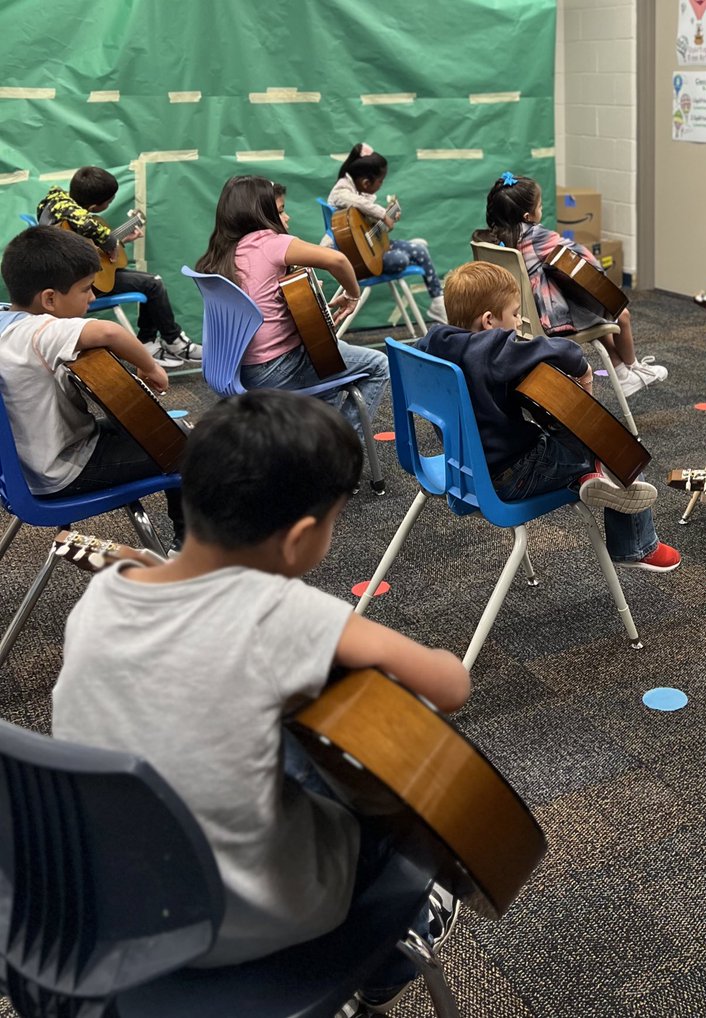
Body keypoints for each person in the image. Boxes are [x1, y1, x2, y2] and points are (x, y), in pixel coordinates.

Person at [52, 389, 472, 1015]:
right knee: (404, 796)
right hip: (249, 923)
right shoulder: (282, 613)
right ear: (301, 537)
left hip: (116, 904)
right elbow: (450, 687)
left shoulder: (105, 594)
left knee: (264, 720)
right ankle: (388, 953)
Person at [418, 261, 681, 572]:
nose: (520, 321)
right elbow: (559, 350)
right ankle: (635, 543)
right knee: (615, 449)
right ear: (488, 321)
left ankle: (590, 475)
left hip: (465, 468)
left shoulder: (432, 344)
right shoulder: (491, 349)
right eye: (515, 313)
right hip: (510, 476)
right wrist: (582, 369)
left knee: (571, 436)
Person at [0, 226, 185, 549]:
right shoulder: (42, 331)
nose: (93, 297)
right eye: (86, 289)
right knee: (191, 449)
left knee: (171, 429)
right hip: (64, 470)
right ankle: (190, 551)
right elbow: (109, 333)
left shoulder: (5, 318)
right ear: (49, 299)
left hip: (22, 470)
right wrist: (150, 366)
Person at [195, 174, 389, 445]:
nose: (287, 218)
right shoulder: (269, 242)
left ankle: (310, 449)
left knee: (328, 375)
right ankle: (340, 450)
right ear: (261, 213)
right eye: (280, 211)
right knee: (379, 365)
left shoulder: (221, 251)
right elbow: (338, 260)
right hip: (277, 368)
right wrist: (352, 294)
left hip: (236, 369)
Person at [473, 172, 667, 399]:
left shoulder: (491, 238)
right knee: (621, 313)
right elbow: (581, 259)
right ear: (528, 215)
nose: (542, 210)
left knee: (589, 309)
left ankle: (622, 371)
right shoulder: (537, 236)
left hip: (520, 316)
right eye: (540, 206)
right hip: (550, 318)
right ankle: (633, 368)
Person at [37, 166, 198, 368]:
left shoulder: (58, 208)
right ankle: (172, 341)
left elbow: (89, 245)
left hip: (67, 280)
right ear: (95, 207)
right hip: (84, 285)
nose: (111, 203)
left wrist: (119, 242)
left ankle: (149, 341)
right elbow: (86, 239)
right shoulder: (76, 222)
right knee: (153, 283)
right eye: (109, 201)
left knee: (146, 283)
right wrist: (109, 242)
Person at [326, 142, 446, 324]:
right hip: (358, 260)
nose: (381, 185)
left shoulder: (358, 188)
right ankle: (409, 249)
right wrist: (383, 214)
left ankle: (438, 303)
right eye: (380, 181)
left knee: (420, 250)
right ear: (366, 182)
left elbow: (366, 226)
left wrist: (387, 219)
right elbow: (360, 204)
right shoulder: (342, 190)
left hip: (370, 248)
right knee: (401, 260)